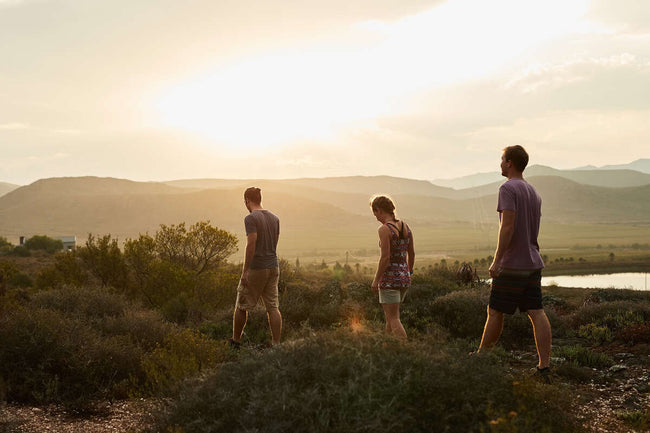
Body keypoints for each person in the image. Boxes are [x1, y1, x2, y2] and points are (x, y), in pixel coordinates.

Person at [477, 145, 552, 379]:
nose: (500, 163)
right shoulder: (533, 192)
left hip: (512, 263)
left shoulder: (507, 188)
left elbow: (507, 226)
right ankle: (544, 367)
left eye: (502, 159)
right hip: (533, 262)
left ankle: (481, 359)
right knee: (537, 312)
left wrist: (497, 260)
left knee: (495, 311)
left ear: (510, 163)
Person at [230, 187, 282, 347]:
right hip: (273, 266)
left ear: (247, 200)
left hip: (257, 268)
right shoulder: (275, 218)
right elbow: (275, 242)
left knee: (241, 306)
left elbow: (251, 243)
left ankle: (235, 342)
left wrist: (245, 271)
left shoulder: (251, 218)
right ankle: (276, 345)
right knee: (273, 307)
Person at [370, 195, 415, 339]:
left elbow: (385, 258)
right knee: (391, 318)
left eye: (375, 213)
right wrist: (409, 272)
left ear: (380, 210)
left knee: (394, 319)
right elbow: (412, 253)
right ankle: (387, 348)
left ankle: (406, 351)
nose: (376, 217)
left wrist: (376, 280)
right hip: (404, 278)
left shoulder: (384, 229)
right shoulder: (405, 226)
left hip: (389, 280)